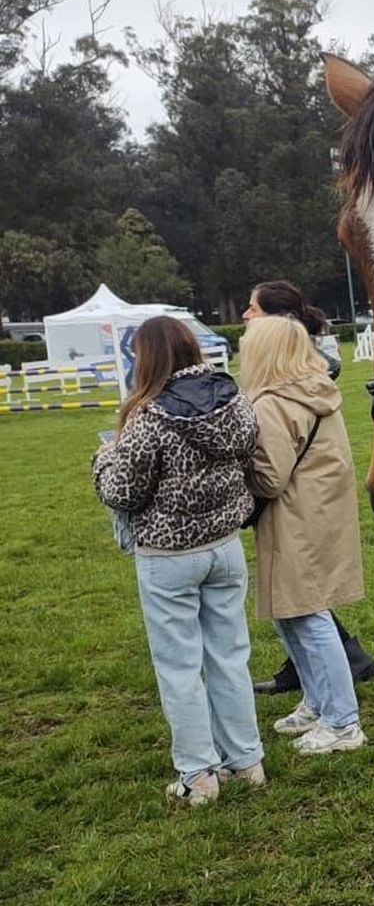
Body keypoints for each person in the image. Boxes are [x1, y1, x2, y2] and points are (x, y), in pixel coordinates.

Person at [91, 316, 265, 807]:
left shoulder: (148, 417)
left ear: (144, 358)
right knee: (230, 658)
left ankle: (199, 774)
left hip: (168, 556)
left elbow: (122, 491)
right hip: (226, 546)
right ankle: (247, 761)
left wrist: (103, 459)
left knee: (179, 668)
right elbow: (249, 455)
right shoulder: (236, 401)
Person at [241, 279, 374, 691]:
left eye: (252, 309)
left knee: (306, 613)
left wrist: (234, 467)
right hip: (317, 509)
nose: (246, 317)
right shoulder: (315, 388)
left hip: (296, 514)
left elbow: (269, 477)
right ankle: (317, 701)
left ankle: (338, 715)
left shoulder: (274, 401)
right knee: (302, 610)